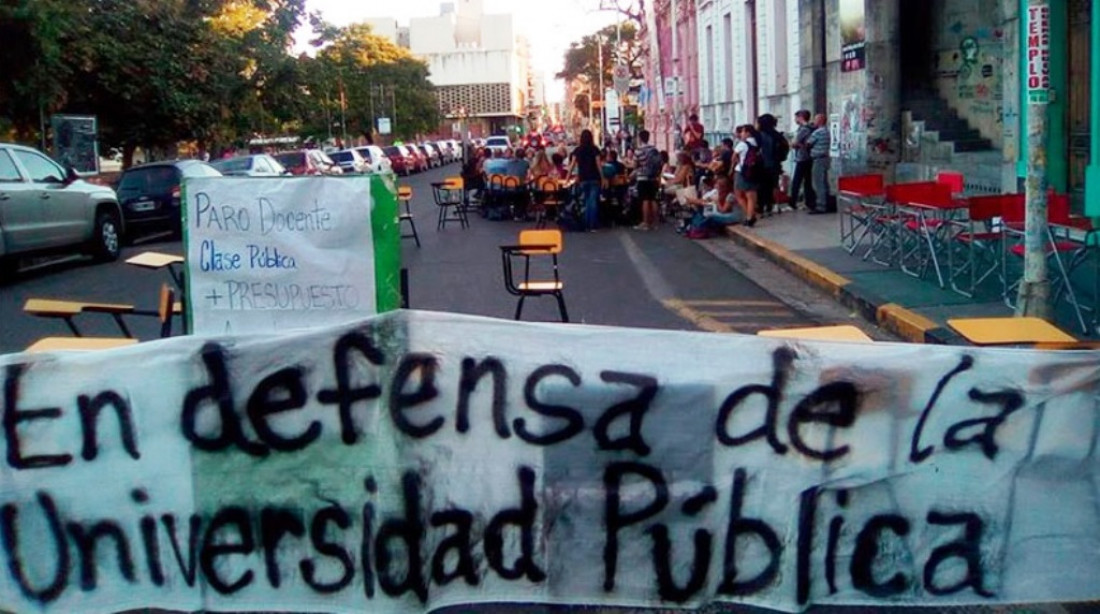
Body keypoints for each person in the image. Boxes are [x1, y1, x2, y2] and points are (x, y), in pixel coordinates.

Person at [754, 113, 790, 217]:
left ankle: (761, 207)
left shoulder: (758, 135)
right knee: (773, 185)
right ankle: (771, 206)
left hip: (761, 165)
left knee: (761, 186)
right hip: (775, 164)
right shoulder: (777, 135)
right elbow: (785, 149)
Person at [569, 129, 603, 231]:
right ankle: (592, 224)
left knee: (586, 201)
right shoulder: (595, 149)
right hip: (594, 178)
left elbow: (572, 165)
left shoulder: (578, 150)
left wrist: (567, 177)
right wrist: (603, 177)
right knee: (592, 201)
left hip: (583, 178)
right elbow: (598, 165)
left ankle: (586, 224)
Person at [631, 129, 661, 230]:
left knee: (645, 200)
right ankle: (655, 223)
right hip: (653, 177)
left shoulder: (639, 150)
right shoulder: (654, 149)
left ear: (640, 138)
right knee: (653, 199)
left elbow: (635, 165)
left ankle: (645, 222)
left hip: (642, 177)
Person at [733, 124, 760, 227]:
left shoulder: (742, 144)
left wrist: (738, 162)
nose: (741, 134)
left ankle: (750, 216)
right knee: (751, 196)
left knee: (739, 195)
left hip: (742, 171)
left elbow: (734, 157)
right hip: (754, 170)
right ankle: (750, 216)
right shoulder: (757, 142)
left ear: (748, 133)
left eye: (743, 132)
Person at [804, 113, 832, 214]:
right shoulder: (827, 131)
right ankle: (827, 203)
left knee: (818, 183)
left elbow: (808, 143)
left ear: (820, 121)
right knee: (824, 182)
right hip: (825, 158)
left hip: (818, 159)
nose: (813, 122)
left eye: (815, 120)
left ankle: (821, 205)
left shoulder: (818, 132)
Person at [789, 110, 815, 211]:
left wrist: (795, 144)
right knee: (807, 181)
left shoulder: (804, 129)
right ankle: (809, 202)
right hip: (808, 157)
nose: (795, 120)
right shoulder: (811, 128)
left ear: (801, 117)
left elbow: (794, 142)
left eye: (796, 117)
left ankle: (793, 201)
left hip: (802, 157)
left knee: (797, 180)